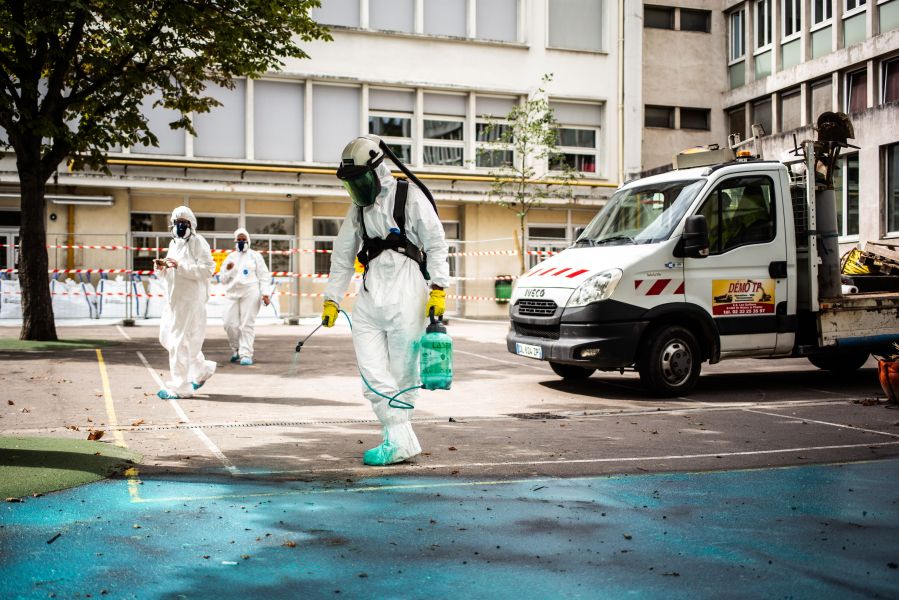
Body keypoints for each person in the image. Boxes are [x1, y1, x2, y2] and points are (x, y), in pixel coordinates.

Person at [323, 135, 449, 466]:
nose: (356, 188)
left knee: (403, 372)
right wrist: (331, 299)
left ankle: (396, 439)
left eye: (359, 179)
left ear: (378, 170)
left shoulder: (408, 197)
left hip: (408, 289)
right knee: (371, 369)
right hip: (370, 293)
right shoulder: (358, 210)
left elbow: (436, 243)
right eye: (350, 182)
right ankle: (399, 438)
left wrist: (438, 288)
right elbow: (342, 255)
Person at [155, 206, 217, 399]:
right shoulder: (174, 244)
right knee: (167, 337)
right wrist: (161, 268)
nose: (180, 226)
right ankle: (202, 370)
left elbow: (208, 269)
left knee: (179, 342)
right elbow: (170, 270)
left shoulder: (198, 242)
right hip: (174, 300)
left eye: (184, 222)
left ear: (192, 224)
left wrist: (181, 266)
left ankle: (180, 386)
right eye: (177, 222)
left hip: (190, 300)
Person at [219, 227, 273, 366]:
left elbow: (264, 276)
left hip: (251, 291)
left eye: (244, 239)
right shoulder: (230, 257)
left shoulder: (255, 256)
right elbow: (222, 279)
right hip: (232, 293)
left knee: (246, 324)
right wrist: (229, 270)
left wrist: (265, 294)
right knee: (229, 324)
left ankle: (246, 354)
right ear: (235, 241)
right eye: (239, 240)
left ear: (248, 240)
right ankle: (236, 349)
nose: (241, 242)